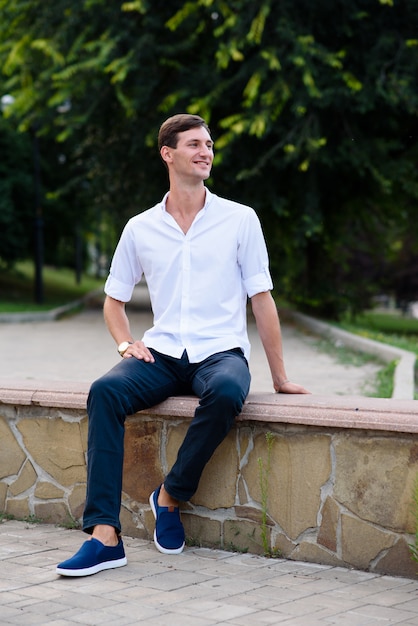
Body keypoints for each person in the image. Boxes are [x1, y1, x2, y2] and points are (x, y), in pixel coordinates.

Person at [56, 113, 309, 577]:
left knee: (229, 392)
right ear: (167, 154)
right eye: (193, 144)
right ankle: (104, 537)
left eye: (209, 144)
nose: (205, 151)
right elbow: (113, 302)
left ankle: (169, 496)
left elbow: (262, 299)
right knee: (105, 392)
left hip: (220, 353)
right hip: (163, 353)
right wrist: (125, 344)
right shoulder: (140, 228)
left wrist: (280, 377)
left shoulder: (240, 219)